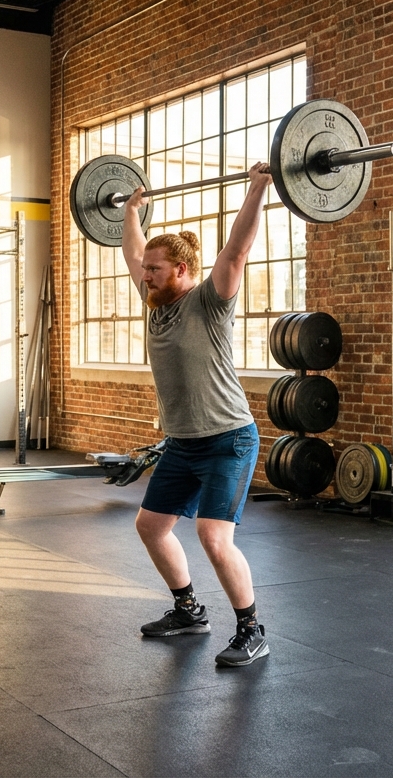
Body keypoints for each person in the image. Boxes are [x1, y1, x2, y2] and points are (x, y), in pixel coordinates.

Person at [120, 162, 273, 667]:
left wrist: (258, 189)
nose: (144, 276)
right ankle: (188, 610)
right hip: (183, 443)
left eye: (154, 270)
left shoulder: (208, 302)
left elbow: (237, 249)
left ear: (182, 271)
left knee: (213, 535)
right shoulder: (156, 303)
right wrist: (132, 211)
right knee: (150, 525)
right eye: (145, 270)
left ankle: (252, 628)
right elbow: (133, 250)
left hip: (229, 438)